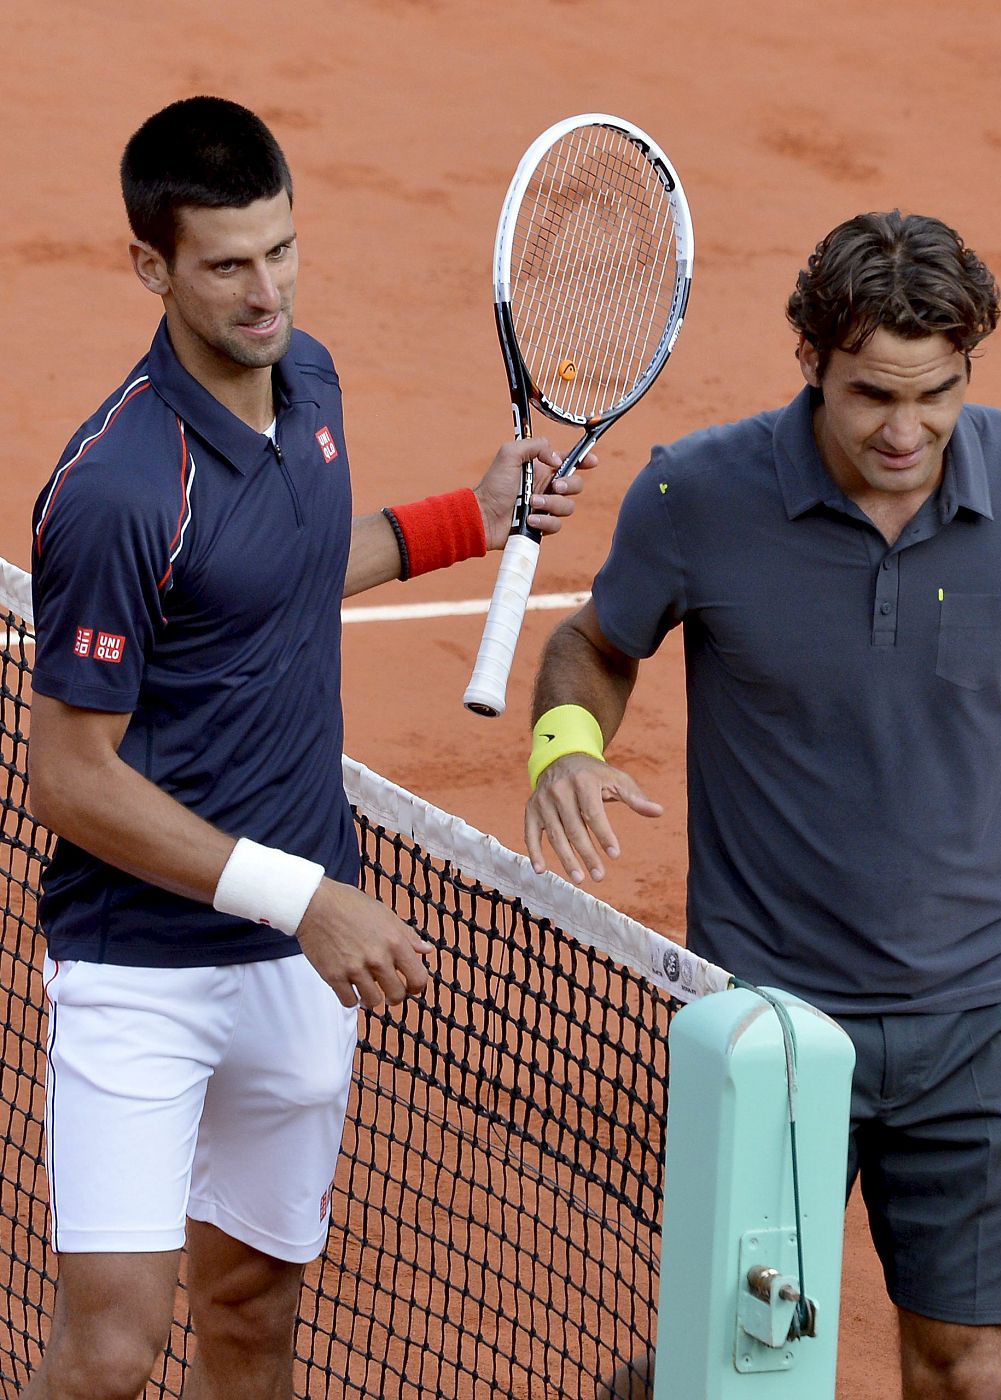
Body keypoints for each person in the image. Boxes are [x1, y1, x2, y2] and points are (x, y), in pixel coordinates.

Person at [524, 210, 1001, 1400]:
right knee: (724, 1365)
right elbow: (593, 646)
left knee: (964, 1364)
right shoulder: (697, 493)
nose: (907, 431)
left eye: (936, 393)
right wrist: (566, 747)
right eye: (870, 397)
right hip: (769, 1019)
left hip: (977, 1015)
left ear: (970, 366)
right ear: (809, 361)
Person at [25, 96, 593, 1400]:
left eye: (281, 250)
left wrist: (473, 512)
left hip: (291, 960)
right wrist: (308, 900)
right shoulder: (118, 489)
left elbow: (281, 572)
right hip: (143, 971)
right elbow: (69, 778)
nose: (265, 290)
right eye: (227, 263)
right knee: (111, 1354)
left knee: (256, 1306)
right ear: (150, 267)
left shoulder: (310, 381)